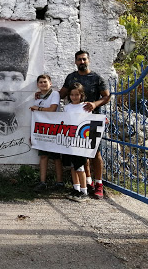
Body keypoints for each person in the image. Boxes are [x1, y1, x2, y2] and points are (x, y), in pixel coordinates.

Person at [60, 50, 110, 198]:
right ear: (75, 62)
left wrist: (95, 104)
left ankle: (99, 183)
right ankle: (87, 183)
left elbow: (107, 96)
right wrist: (43, 94)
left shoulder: (97, 78)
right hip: (75, 123)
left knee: (96, 152)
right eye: (79, 60)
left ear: (88, 60)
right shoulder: (71, 77)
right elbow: (61, 94)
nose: (82, 62)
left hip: (92, 121)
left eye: (84, 59)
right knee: (80, 153)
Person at [30, 74, 64, 192]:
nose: (43, 84)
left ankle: (60, 182)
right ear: (38, 85)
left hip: (54, 129)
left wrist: (37, 108)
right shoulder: (38, 97)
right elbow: (36, 117)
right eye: (40, 82)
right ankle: (42, 182)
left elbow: (52, 109)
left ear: (50, 83)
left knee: (56, 157)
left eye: (45, 82)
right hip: (42, 130)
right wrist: (33, 134)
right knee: (43, 156)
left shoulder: (54, 94)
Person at [62, 83, 89, 202]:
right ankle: (76, 188)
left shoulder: (85, 107)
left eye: (76, 94)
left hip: (81, 141)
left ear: (81, 95)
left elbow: (91, 121)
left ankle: (84, 191)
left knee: (80, 166)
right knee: (73, 166)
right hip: (70, 140)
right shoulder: (67, 107)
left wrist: (103, 120)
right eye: (72, 95)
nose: (74, 97)